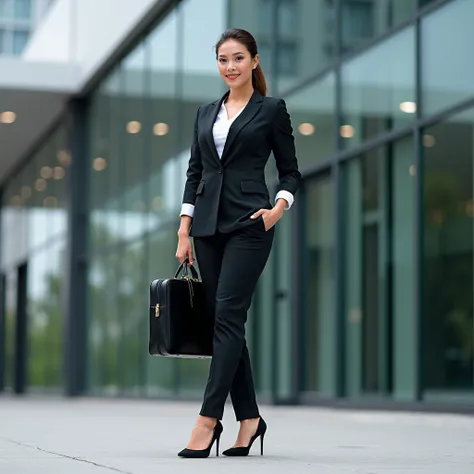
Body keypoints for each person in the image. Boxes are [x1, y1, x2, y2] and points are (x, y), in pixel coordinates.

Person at [175, 28, 301, 459]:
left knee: (228, 315)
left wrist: (276, 210)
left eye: (238, 58)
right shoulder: (205, 112)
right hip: (206, 229)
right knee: (224, 322)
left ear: (254, 61)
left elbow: (290, 171)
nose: (230, 66)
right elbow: (195, 173)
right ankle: (250, 418)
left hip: (250, 225)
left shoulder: (271, 110)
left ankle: (208, 419)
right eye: (223, 59)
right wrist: (183, 229)